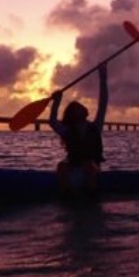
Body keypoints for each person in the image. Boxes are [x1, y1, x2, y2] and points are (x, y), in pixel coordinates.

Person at [49, 62, 108, 194]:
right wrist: (56, 102)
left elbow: (103, 103)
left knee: (89, 166)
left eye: (80, 107)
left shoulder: (95, 126)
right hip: (73, 165)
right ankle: (65, 197)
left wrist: (103, 77)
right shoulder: (67, 130)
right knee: (61, 166)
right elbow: (52, 121)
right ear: (71, 115)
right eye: (75, 109)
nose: (79, 109)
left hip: (93, 166)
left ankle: (91, 200)